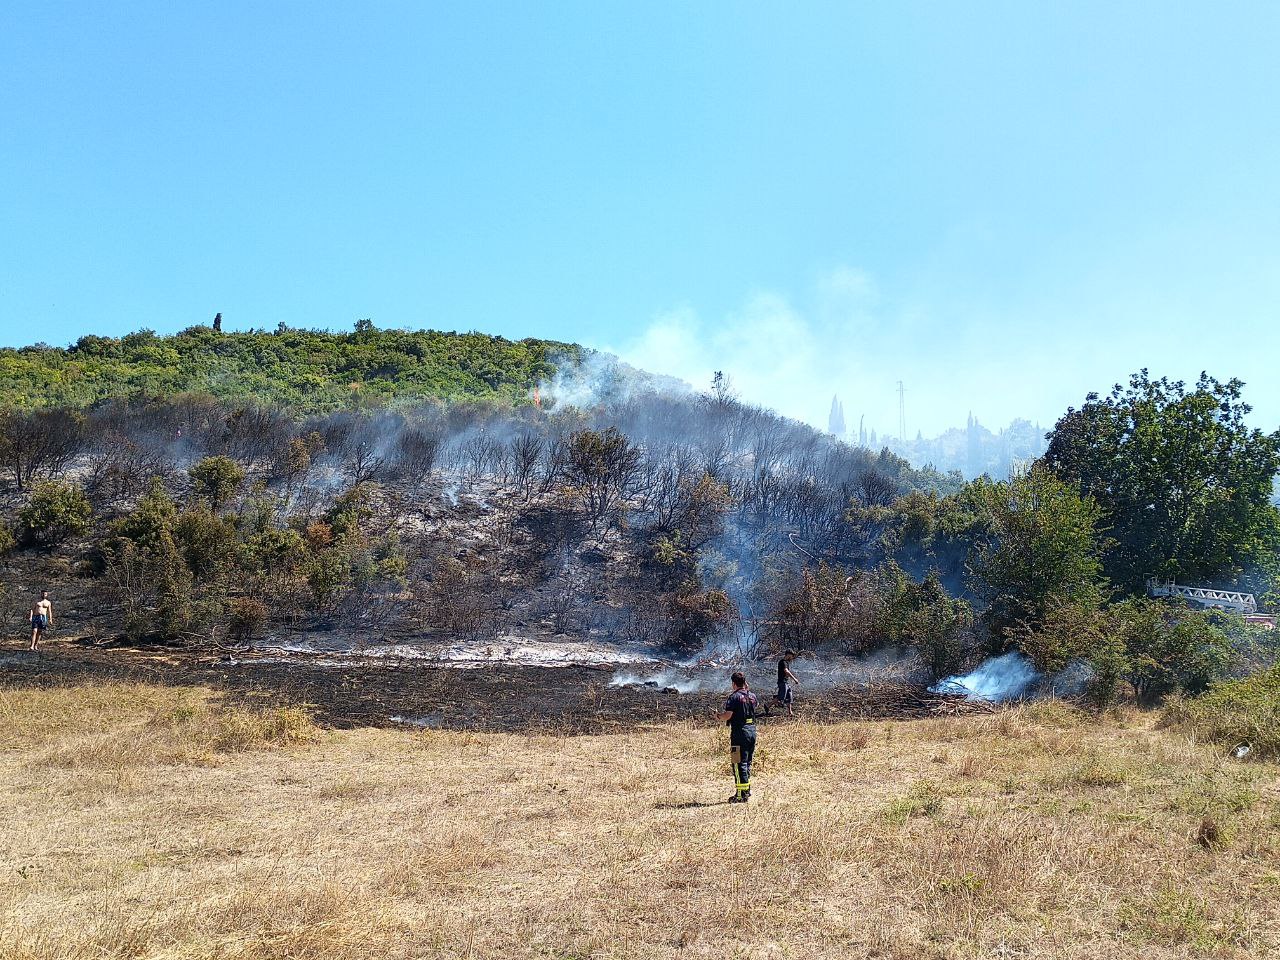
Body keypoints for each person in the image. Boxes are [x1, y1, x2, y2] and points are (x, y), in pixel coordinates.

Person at [715, 671, 758, 804]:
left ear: (733, 683)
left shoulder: (733, 697)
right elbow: (753, 704)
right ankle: (747, 790)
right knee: (747, 762)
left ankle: (740, 795)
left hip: (739, 733)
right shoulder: (752, 696)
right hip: (752, 732)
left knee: (737, 763)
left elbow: (728, 715)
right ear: (745, 682)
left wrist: (718, 716)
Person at [777, 649, 799, 716]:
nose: (792, 658)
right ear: (788, 654)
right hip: (782, 682)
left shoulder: (786, 662)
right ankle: (768, 704)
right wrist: (794, 679)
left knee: (789, 696)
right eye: (792, 656)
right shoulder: (783, 662)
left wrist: (790, 679)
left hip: (786, 682)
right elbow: (786, 671)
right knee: (781, 697)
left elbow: (786, 674)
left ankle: (790, 712)